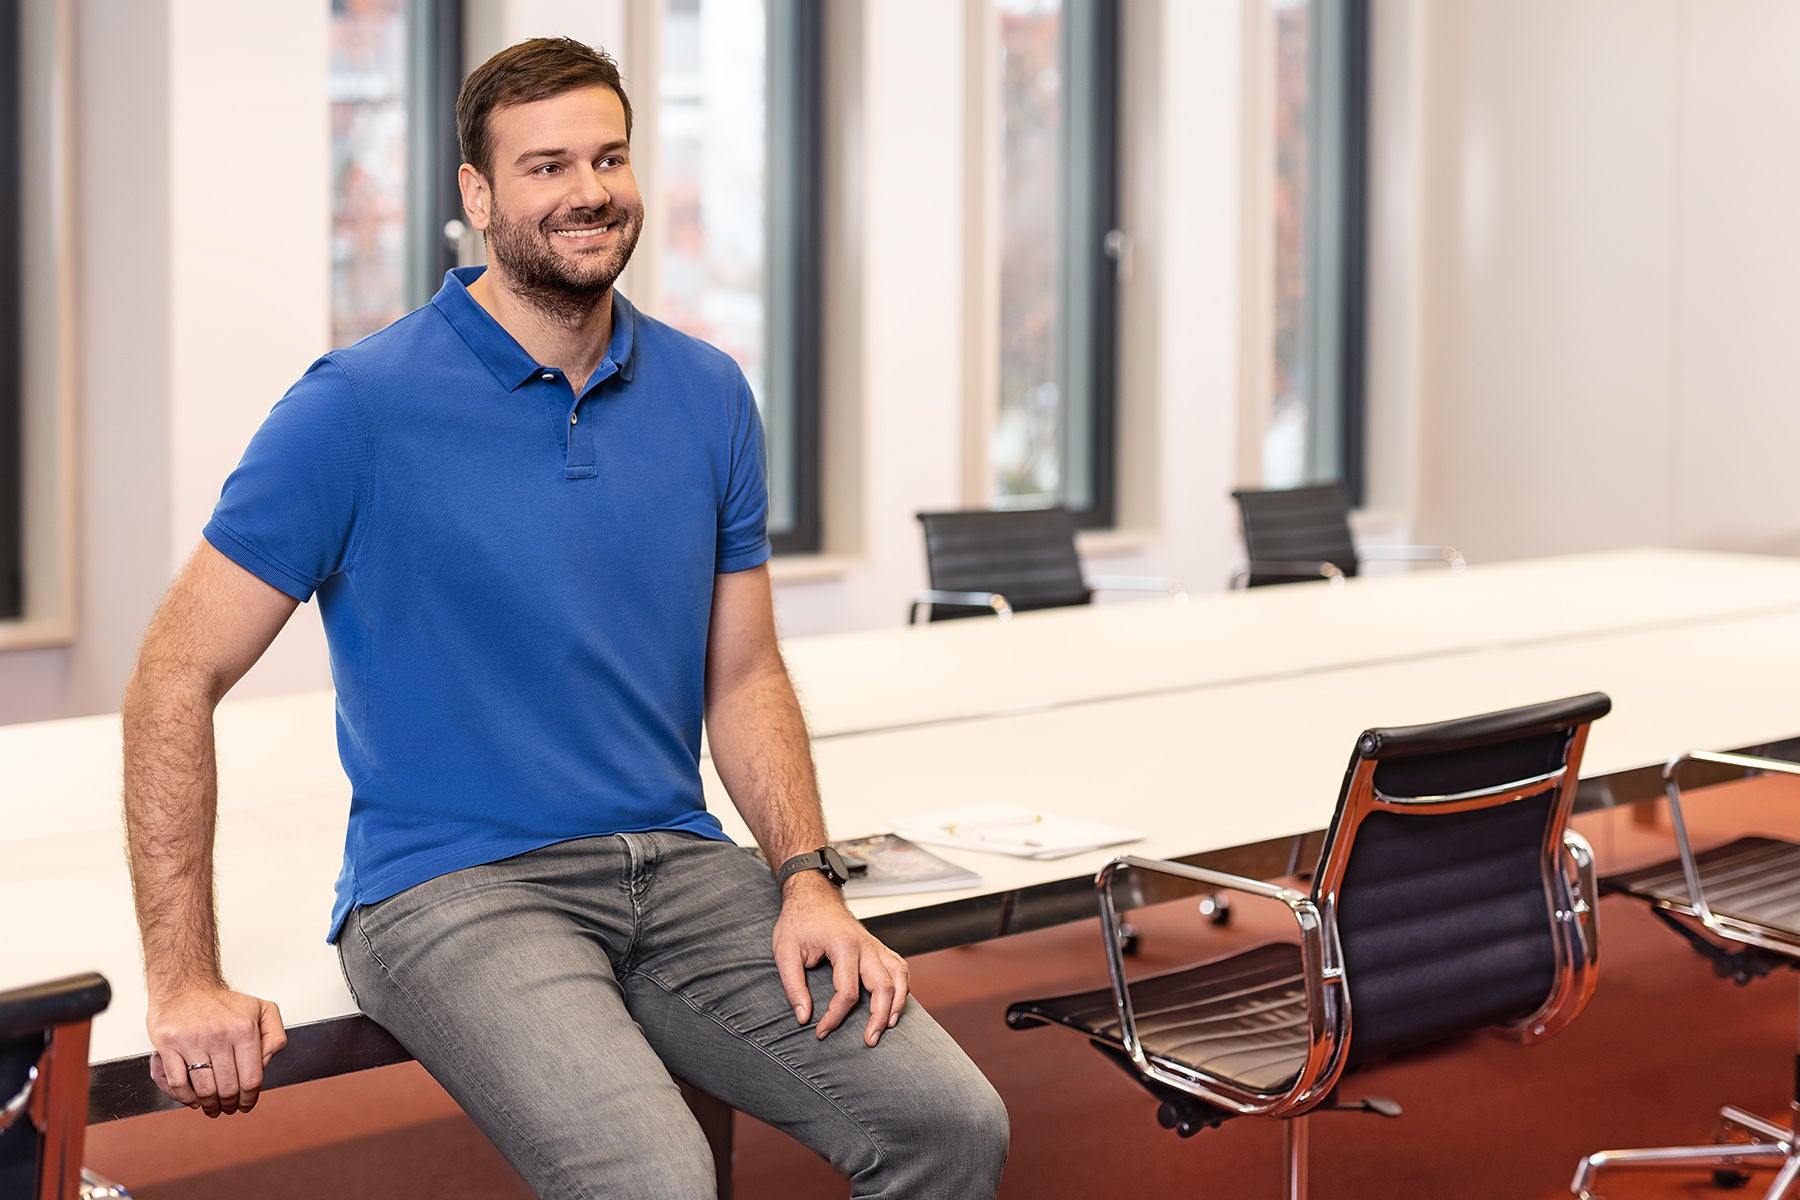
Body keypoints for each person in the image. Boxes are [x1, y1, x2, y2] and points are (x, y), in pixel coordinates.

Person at [121, 35, 1008, 1199]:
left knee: (955, 1122)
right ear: (477, 196)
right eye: (545, 167)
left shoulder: (708, 393)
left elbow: (742, 677)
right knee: (654, 1179)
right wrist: (184, 977)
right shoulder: (356, 407)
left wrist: (805, 878)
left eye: (609, 157)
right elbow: (173, 673)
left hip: (683, 868)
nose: (588, 191)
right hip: (452, 888)